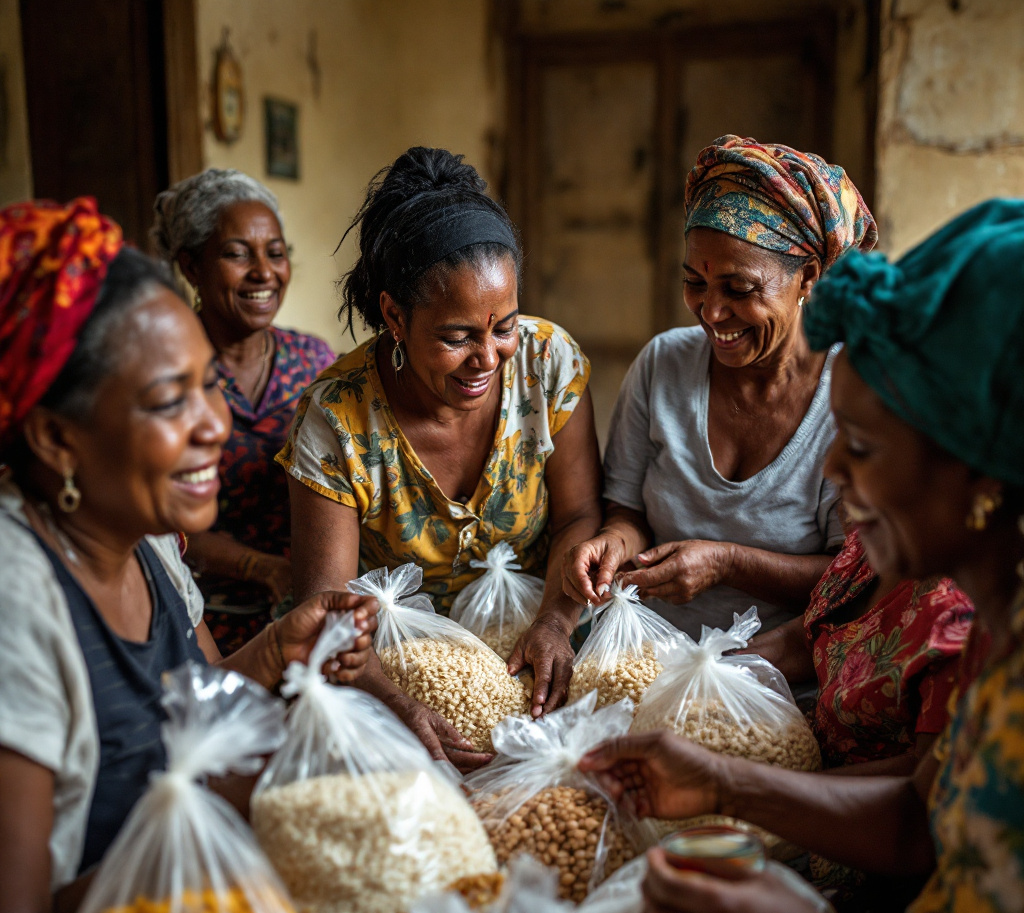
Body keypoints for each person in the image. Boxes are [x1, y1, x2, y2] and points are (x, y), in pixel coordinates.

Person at [580, 199, 1024, 913]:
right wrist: (720, 780)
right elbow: (918, 820)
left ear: (983, 476)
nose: (831, 471)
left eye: (862, 447)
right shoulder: (1001, 638)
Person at [0, 199, 376, 913]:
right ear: (57, 440)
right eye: (172, 401)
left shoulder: (148, 538)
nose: (215, 424)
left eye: (209, 383)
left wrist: (279, 654)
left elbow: (201, 728)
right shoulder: (14, 601)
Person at [279, 147, 603, 770]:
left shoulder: (547, 363)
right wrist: (399, 706)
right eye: (458, 338)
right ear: (394, 316)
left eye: (503, 325)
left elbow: (580, 514)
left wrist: (557, 624)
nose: (488, 358)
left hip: (535, 650)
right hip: (386, 673)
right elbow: (323, 613)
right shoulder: (337, 421)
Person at [564, 134, 877, 638]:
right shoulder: (662, 365)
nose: (711, 313)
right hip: (640, 659)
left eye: (739, 289)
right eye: (695, 282)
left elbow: (855, 579)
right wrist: (614, 544)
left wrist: (728, 563)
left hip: (775, 677)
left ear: (809, 277)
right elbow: (628, 511)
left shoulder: (851, 397)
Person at [152, 169, 336, 654]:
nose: (263, 272)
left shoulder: (315, 363)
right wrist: (261, 568)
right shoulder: (163, 368)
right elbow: (154, 507)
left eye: (275, 253)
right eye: (237, 254)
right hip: (203, 622)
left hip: (312, 612)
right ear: (190, 266)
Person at [748, 526, 975, 775]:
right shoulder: (869, 540)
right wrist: (724, 664)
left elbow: (925, 781)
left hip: (856, 802)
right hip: (804, 769)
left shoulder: (958, 618)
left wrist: (748, 786)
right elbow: (822, 638)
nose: (839, 494)